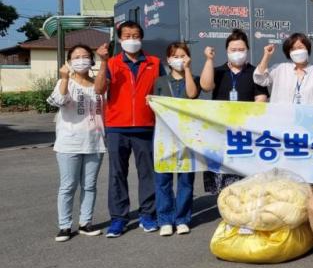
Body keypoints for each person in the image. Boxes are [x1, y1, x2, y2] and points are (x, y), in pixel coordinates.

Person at [95, 21, 164, 238]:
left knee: (147, 173)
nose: (131, 39)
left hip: (146, 126)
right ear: (120, 39)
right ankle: (118, 219)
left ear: (141, 38)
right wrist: (103, 62)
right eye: (126, 36)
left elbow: (164, 92)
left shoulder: (154, 63)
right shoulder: (113, 63)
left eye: (135, 35)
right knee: (117, 174)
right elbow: (99, 89)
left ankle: (148, 215)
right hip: (117, 127)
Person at [47, 44, 106, 242]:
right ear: (69, 61)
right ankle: (64, 226)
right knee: (68, 185)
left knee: (89, 185)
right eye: (76, 56)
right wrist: (64, 78)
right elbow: (58, 101)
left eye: (85, 56)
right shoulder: (66, 82)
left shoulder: (98, 84)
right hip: (69, 142)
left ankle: (85, 223)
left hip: (95, 142)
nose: (81, 59)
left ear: (91, 60)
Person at [200, 29, 267, 194]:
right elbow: (206, 86)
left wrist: (247, 119)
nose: (237, 53)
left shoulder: (255, 72)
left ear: (247, 50)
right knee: (222, 176)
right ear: (227, 51)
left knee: (245, 178)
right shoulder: (218, 71)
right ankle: (225, 211)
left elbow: (261, 98)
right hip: (220, 131)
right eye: (233, 50)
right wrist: (209, 60)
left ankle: (244, 213)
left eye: (241, 49)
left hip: (246, 132)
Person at [152, 42, 200, 236]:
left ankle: (182, 218)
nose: (179, 60)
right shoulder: (160, 82)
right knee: (163, 179)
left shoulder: (193, 78)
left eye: (183, 56)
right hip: (164, 137)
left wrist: (187, 69)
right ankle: (165, 219)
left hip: (187, 137)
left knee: (186, 180)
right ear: (168, 60)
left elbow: (192, 94)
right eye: (175, 56)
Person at [253, 32, 313, 105]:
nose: (297, 51)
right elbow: (260, 79)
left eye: (300, 47)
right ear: (288, 52)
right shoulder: (279, 69)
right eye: (293, 49)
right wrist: (266, 56)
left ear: (307, 48)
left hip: (308, 117)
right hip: (281, 117)